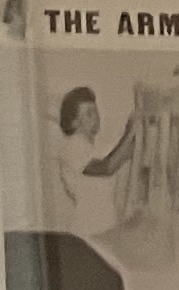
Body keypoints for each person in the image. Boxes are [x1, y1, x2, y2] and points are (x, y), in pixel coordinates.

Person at [44, 88, 131, 241]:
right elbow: (106, 168)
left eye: (96, 111)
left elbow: (122, 156)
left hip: (106, 228)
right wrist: (130, 132)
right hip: (89, 231)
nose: (96, 117)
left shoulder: (95, 149)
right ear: (74, 122)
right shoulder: (71, 147)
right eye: (89, 113)